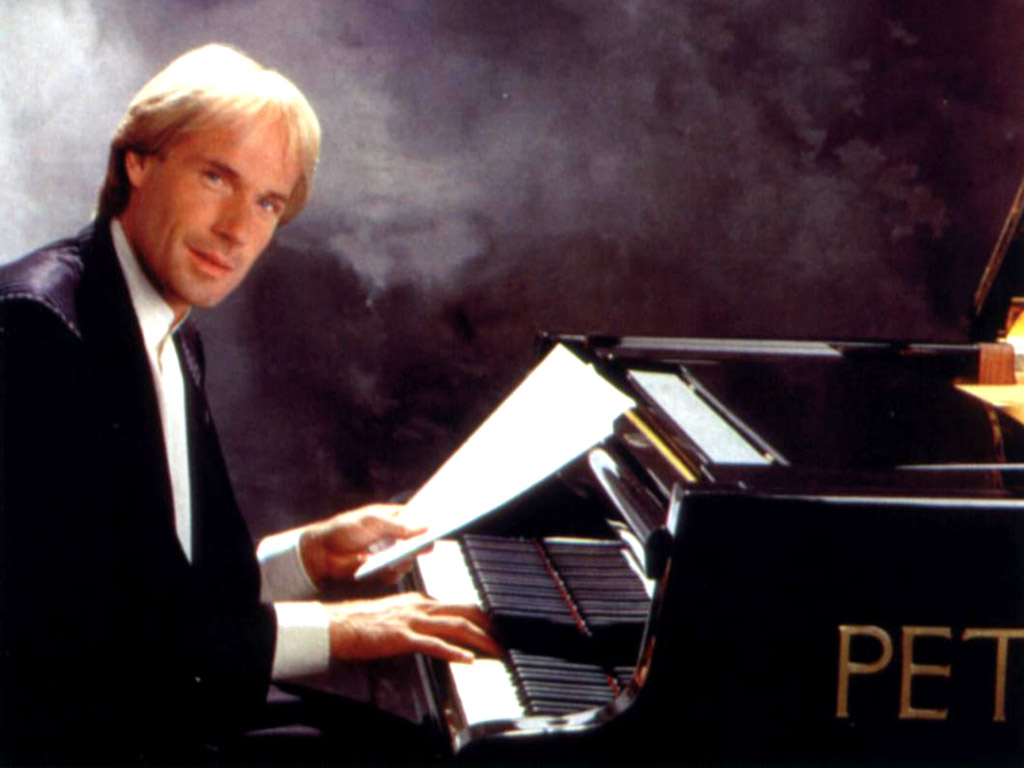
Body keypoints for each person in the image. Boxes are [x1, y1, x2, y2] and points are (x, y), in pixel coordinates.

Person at [0, 43, 497, 764]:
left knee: (429, 752)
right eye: (216, 177)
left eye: (267, 203)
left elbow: (161, 588)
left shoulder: (166, 329)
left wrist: (310, 558)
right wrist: (347, 631)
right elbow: (101, 642)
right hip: (82, 736)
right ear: (138, 161)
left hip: (155, 700)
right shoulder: (39, 329)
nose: (237, 230)